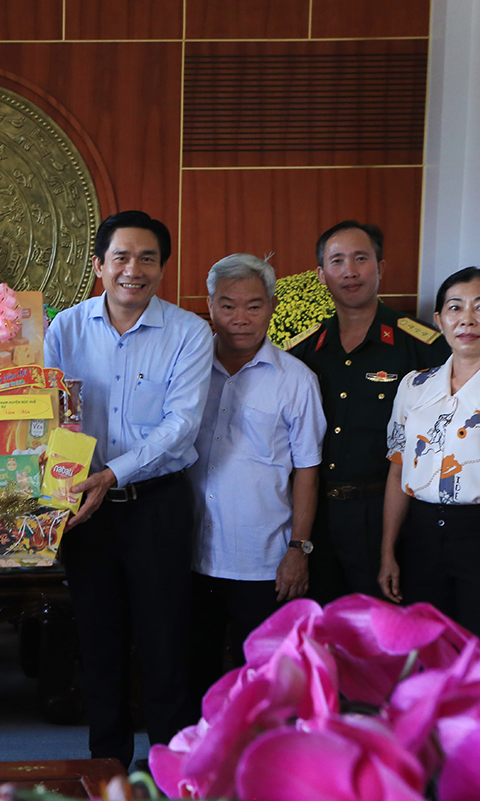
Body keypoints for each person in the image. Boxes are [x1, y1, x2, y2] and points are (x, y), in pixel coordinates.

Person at [44, 210, 212, 765]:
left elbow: (181, 424)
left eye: (147, 258)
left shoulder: (189, 333)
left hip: (157, 505)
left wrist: (112, 474)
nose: (132, 270)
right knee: (98, 645)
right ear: (99, 265)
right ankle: (107, 769)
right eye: (121, 257)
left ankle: (170, 770)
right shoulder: (65, 329)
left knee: (165, 645)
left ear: (163, 268)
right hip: (84, 511)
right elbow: (45, 414)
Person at [287, 221, 449, 602]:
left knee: (385, 624)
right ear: (321, 274)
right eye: (337, 261)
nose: (350, 271)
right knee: (322, 622)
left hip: (388, 515)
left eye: (361, 259)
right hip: (317, 515)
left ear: (381, 267)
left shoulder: (422, 347)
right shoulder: (304, 351)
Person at [187, 254, 326, 698]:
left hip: (263, 560)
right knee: (194, 672)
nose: (240, 318)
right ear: (210, 306)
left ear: (272, 307)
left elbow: (307, 469)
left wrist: (298, 548)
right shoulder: (185, 371)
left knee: (265, 681)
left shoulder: (296, 380)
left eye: (254, 305)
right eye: (228, 306)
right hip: (189, 553)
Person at [379, 267, 480, 652]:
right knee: (424, 654)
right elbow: (397, 472)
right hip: (421, 538)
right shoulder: (414, 385)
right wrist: (388, 553)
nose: (467, 319)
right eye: (455, 307)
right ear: (439, 319)